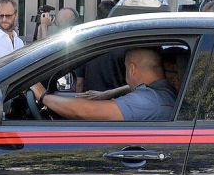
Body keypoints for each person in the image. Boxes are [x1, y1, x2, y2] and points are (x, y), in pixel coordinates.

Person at [31, 48, 176, 121]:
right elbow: (138, 89)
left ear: (132, 69)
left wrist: (43, 95)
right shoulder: (163, 91)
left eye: (124, 67)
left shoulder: (147, 101)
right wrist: (109, 94)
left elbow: (87, 111)